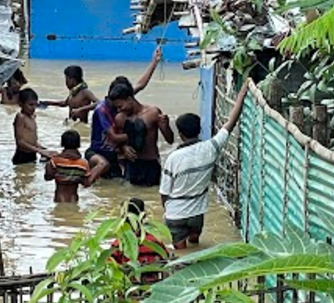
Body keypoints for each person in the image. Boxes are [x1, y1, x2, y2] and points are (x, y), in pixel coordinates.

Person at [160, 81, 249, 249]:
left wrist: (170, 210)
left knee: (181, 256)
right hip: (196, 214)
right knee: (196, 248)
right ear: (199, 130)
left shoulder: (173, 158)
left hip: (175, 214)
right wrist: (242, 94)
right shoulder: (211, 148)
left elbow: (164, 193)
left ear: (180, 134)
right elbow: (230, 123)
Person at [86, 47, 164, 177]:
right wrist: (143, 132)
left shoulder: (123, 98)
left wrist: (154, 62)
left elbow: (141, 84)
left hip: (119, 151)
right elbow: (114, 137)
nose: (120, 109)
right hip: (102, 151)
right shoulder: (103, 110)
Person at [107, 83, 174, 187]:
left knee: (151, 197)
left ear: (129, 99)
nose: (119, 110)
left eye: (120, 106)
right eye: (116, 108)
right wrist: (123, 147)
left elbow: (170, 140)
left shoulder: (153, 113)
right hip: (131, 164)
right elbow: (112, 142)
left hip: (150, 164)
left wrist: (166, 126)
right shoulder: (120, 118)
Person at [111, 198, 170, 273]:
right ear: (144, 215)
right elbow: (165, 259)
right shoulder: (155, 241)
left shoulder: (118, 245)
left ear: (123, 217)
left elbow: (111, 267)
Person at [13, 87, 52, 165]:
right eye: (30, 105)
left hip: (32, 154)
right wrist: (39, 151)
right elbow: (20, 142)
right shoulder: (21, 117)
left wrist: (43, 149)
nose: (33, 108)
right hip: (22, 156)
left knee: (30, 175)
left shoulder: (32, 117)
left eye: (35, 105)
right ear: (21, 104)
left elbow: (31, 139)